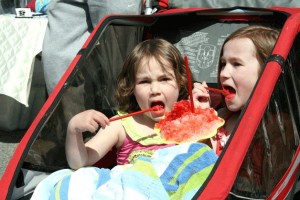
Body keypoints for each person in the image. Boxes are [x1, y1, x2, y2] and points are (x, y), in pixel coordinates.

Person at [65, 38, 189, 169]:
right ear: (131, 88)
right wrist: (73, 130)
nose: (155, 90)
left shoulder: (189, 121)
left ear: (180, 82)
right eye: (144, 81)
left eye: (164, 79)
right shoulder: (119, 126)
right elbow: (79, 162)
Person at [192, 25, 280, 155]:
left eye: (236, 64)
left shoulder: (279, 126)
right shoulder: (221, 118)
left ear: (267, 72)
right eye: (223, 64)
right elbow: (200, 163)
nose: (223, 73)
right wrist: (202, 119)